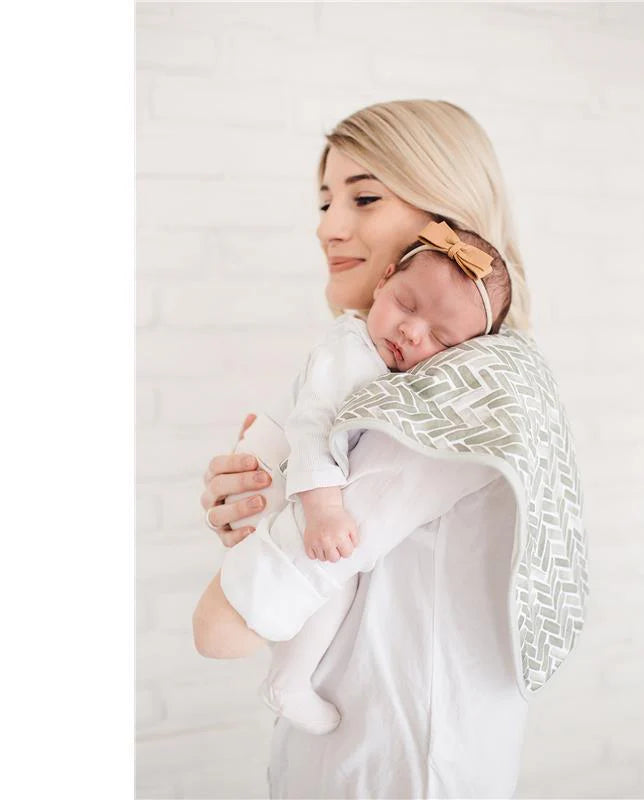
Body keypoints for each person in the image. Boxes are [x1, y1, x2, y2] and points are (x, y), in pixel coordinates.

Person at [193, 100, 588, 798]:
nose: (328, 226)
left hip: (398, 768)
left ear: (448, 215)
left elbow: (228, 626)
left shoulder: (460, 398)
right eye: (324, 200)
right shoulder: (394, 376)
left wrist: (260, 553)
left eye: (364, 197)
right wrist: (254, 505)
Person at [227, 222, 512, 737]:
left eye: (441, 338)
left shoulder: (392, 368)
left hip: (294, 472)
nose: (412, 332)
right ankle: (287, 681)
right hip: (280, 470)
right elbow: (313, 428)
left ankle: (288, 670)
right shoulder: (352, 352)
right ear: (384, 281)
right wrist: (325, 510)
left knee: (337, 571)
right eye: (405, 304)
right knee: (334, 571)